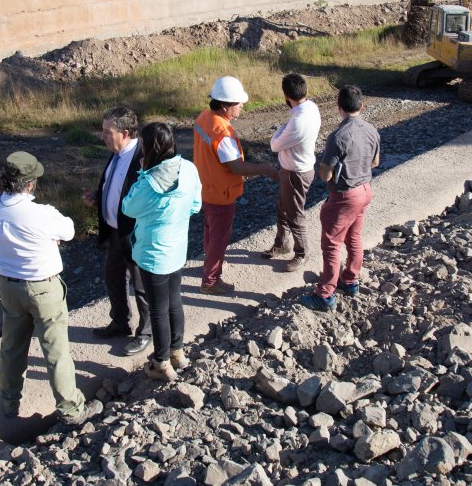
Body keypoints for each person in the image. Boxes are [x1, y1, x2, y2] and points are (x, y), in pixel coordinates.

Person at [0, 151, 101, 424]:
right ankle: (71, 408)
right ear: (31, 183)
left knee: (11, 347)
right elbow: (68, 231)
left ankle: (10, 403)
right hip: (44, 289)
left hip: (8, 287)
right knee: (55, 350)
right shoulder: (42, 214)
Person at [120, 123, 202, 381]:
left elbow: (128, 208)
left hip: (152, 254)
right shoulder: (189, 169)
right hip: (177, 248)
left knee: (158, 309)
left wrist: (142, 173)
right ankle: (178, 352)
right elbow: (196, 205)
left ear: (150, 149)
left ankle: (161, 362)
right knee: (174, 301)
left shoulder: (149, 183)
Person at [192, 76, 279, 294]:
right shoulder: (223, 133)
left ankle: (211, 262)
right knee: (219, 237)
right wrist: (267, 169)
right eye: (238, 102)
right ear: (224, 105)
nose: (242, 105)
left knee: (210, 230)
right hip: (221, 193)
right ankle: (210, 281)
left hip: (206, 187)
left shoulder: (204, 117)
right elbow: (237, 168)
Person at [300, 86, 380, 312]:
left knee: (332, 244)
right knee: (354, 237)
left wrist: (331, 176)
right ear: (362, 106)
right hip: (365, 190)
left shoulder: (338, 136)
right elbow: (375, 162)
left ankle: (325, 295)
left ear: (339, 107)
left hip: (345, 195)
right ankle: (350, 280)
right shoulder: (372, 130)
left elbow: (325, 173)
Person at [83, 106, 151, 356]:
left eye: (106, 132)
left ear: (124, 133)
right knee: (113, 276)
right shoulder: (117, 152)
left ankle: (146, 332)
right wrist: (99, 198)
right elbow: (116, 186)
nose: (102, 137)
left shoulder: (144, 156)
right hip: (114, 232)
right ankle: (120, 322)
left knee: (141, 284)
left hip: (135, 234)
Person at [263, 73, 321, 273]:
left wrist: (280, 128)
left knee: (295, 215)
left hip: (295, 173)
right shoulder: (312, 107)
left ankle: (301, 254)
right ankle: (282, 244)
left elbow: (274, 145)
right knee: (282, 208)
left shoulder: (297, 122)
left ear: (286, 95)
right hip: (294, 170)